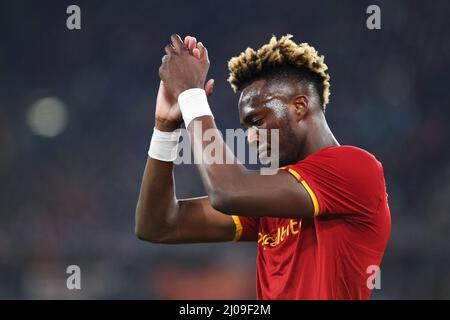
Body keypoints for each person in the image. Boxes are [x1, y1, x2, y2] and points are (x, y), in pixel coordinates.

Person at [135, 34, 391, 299]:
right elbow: (158, 225)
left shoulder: (355, 168)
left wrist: (192, 96)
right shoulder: (276, 198)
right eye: (246, 127)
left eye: (256, 120)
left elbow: (227, 191)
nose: (249, 136)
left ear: (300, 106)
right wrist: (165, 128)